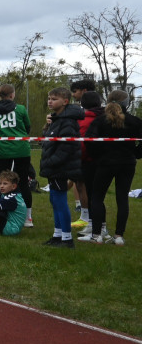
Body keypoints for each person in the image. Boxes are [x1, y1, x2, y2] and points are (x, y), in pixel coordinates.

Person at [84, 89, 142, 245]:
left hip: (105, 163)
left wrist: (97, 156)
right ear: (127, 103)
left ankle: (97, 235)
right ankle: (119, 236)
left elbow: (89, 141)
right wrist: (136, 153)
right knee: (122, 198)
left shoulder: (99, 121)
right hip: (127, 163)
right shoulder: (135, 121)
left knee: (97, 197)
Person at [0, 84, 33, 227]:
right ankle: (28, 218)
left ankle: (3, 214)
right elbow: (27, 127)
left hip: (2, 150)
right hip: (21, 149)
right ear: (12, 95)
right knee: (23, 182)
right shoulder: (21, 109)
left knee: (2, 183)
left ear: (0, 95)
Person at [40, 87, 84, 248]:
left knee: (60, 201)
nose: (50, 102)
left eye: (54, 99)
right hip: (53, 167)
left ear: (65, 101)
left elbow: (66, 147)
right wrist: (47, 127)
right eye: (49, 98)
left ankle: (67, 238)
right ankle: (57, 235)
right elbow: (47, 141)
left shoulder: (68, 121)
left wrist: (51, 161)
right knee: (54, 200)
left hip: (61, 167)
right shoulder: (56, 119)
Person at [74, 91, 103, 237]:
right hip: (104, 161)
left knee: (92, 195)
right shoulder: (105, 117)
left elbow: (83, 143)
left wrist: (80, 158)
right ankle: (95, 224)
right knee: (97, 195)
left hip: (88, 161)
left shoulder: (84, 120)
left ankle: (95, 226)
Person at [69, 78, 98, 221]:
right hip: (85, 156)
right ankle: (85, 216)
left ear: (84, 91)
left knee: (85, 186)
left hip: (86, 157)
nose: (73, 95)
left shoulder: (88, 116)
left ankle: (89, 219)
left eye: (75, 91)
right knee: (79, 184)